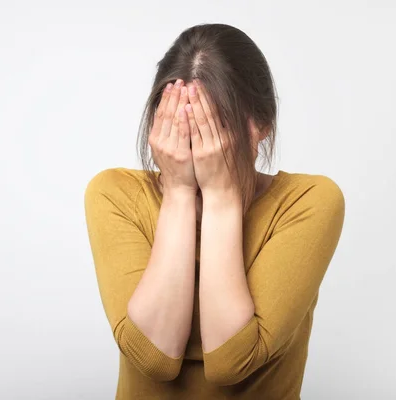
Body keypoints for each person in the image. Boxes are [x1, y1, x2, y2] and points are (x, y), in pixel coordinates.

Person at [84, 23, 345, 400]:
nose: (193, 144)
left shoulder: (309, 201)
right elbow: (153, 359)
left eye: (210, 124)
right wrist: (178, 191)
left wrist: (222, 197)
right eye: (178, 122)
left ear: (262, 126)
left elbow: (231, 360)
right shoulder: (114, 193)